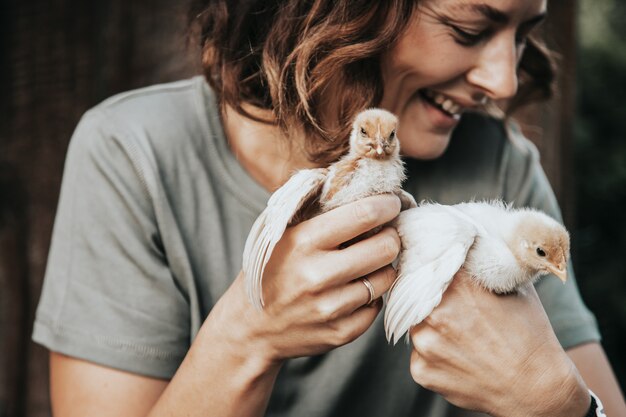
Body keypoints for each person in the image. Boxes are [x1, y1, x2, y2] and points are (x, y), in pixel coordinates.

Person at [33, 0, 625, 416]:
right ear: (341, 9)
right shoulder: (134, 155)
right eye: (469, 28)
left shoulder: (501, 169)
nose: (502, 80)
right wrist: (249, 335)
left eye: (522, 36)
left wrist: (555, 405)